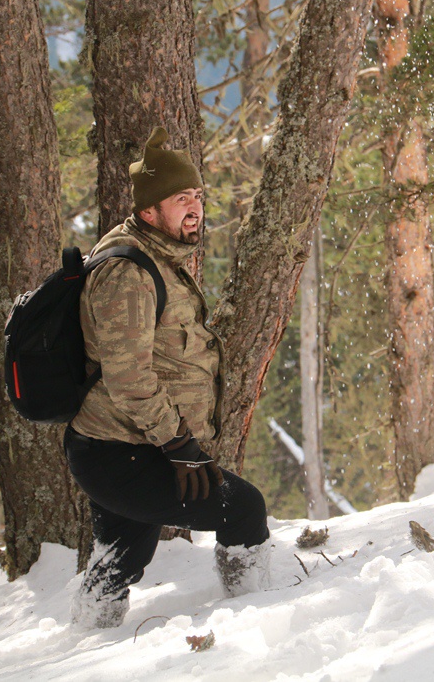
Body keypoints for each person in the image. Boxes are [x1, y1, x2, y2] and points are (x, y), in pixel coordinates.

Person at [65, 127, 271, 628]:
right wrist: (179, 442)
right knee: (244, 510)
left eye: (198, 196)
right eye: (181, 199)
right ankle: (257, 618)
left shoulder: (155, 253)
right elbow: (128, 376)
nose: (195, 208)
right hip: (122, 451)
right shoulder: (128, 273)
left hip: (126, 444)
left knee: (122, 556)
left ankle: (88, 637)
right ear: (149, 210)